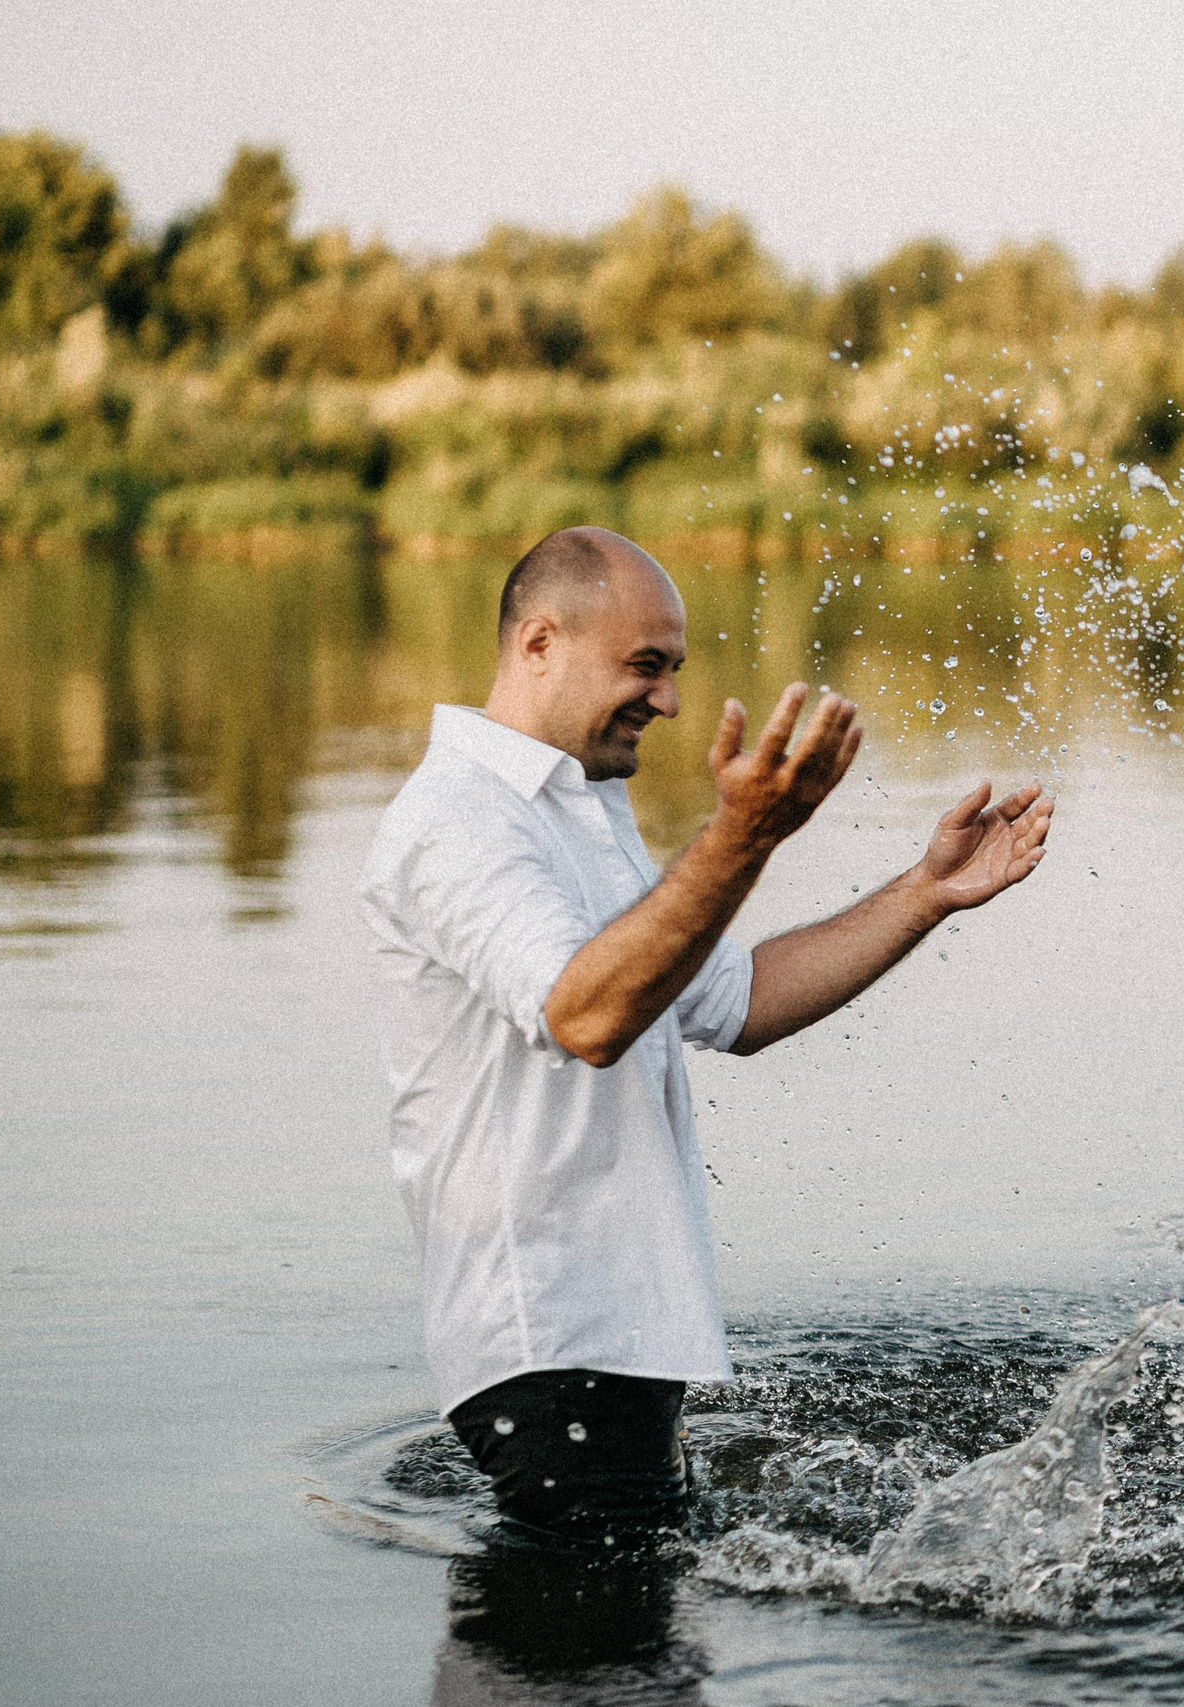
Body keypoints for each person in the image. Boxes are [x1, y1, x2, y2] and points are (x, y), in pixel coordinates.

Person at [359, 526, 1051, 1548]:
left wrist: (924, 894)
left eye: (675, 670)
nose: (670, 700)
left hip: (620, 1341)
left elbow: (738, 1003)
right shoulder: (459, 821)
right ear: (539, 642)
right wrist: (742, 835)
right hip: (548, 1351)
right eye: (645, 666)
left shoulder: (580, 813)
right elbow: (587, 1016)